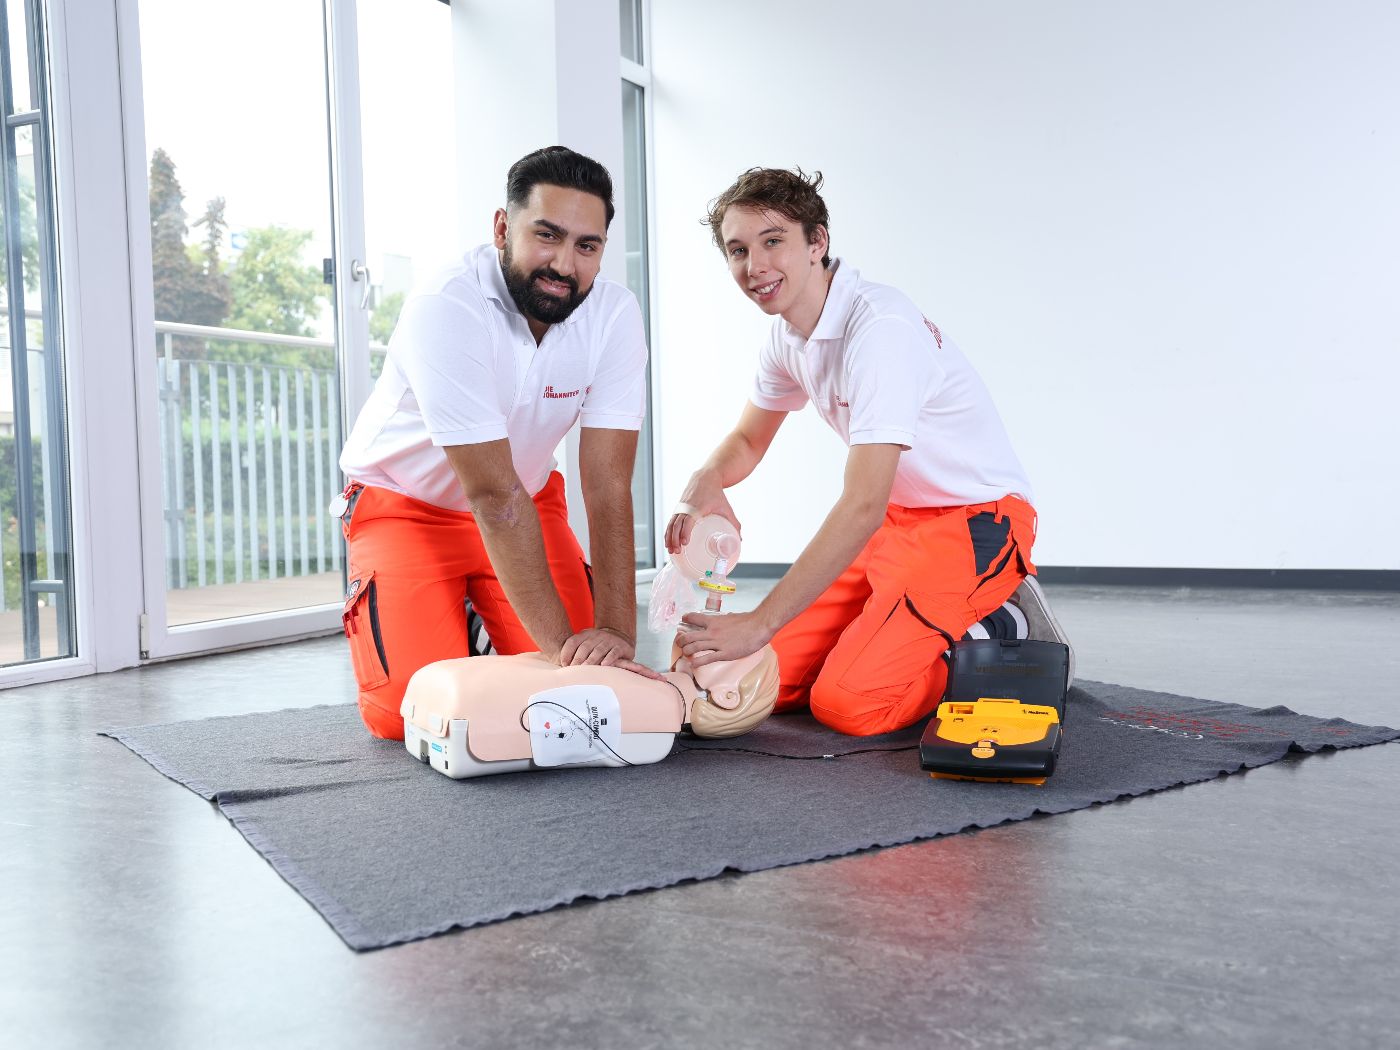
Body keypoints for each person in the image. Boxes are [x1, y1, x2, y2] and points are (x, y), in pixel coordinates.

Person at [667, 167, 1072, 738]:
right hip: (896, 521)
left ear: (818, 242)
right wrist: (703, 482)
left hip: (976, 523)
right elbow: (748, 440)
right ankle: (898, 628)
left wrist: (759, 622)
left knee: (852, 705)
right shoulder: (789, 337)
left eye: (773, 241)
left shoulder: (879, 329)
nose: (754, 266)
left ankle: (1001, 623)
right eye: (738, 250)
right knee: (772, 681)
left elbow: (860, 505)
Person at [337, 146, 654, 741]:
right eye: (547, 235)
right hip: (407, 509)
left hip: (529, 505)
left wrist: (615, 634)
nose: (564, 264)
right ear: (503, 228)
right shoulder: (448, 305)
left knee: (601, 677)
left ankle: (484, 629)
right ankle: (459, 619)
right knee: (405, 715)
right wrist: (568, 660)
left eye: (587, 246)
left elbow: (608, 483)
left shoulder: (614, 314)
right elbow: (490, 492)